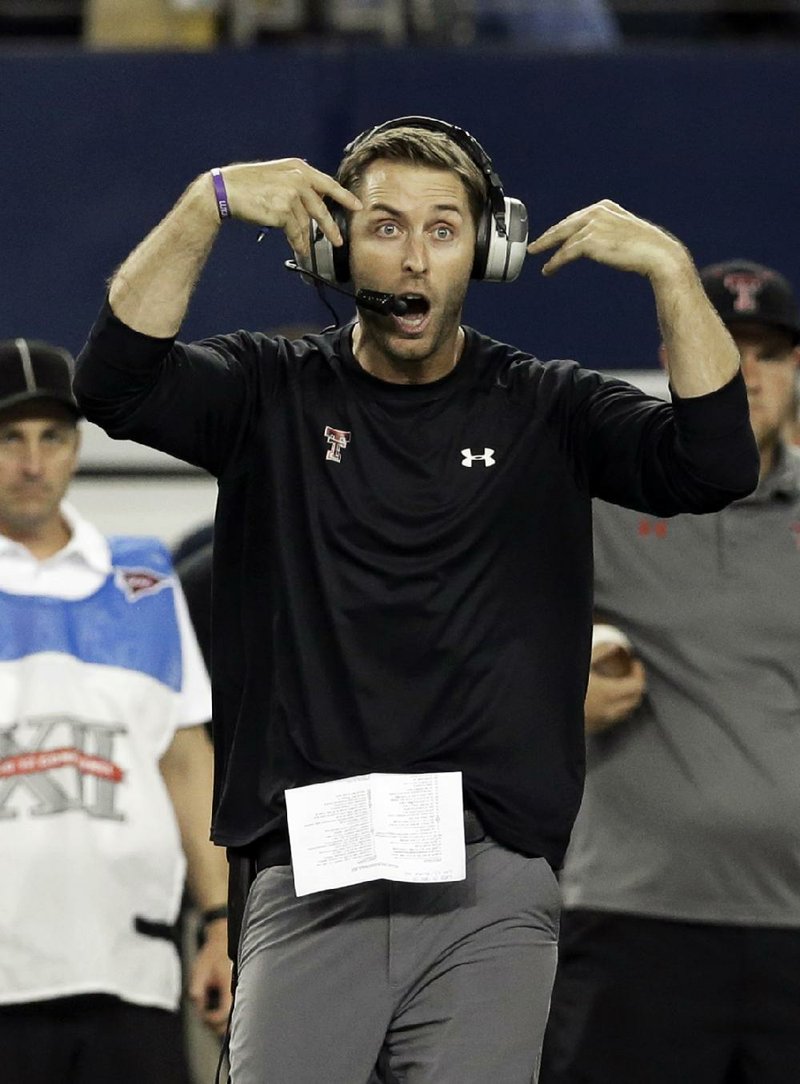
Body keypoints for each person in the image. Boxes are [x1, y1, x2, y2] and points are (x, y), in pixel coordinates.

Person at [73, 116, 758, 1084]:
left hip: (491, 872)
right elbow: (113, 384)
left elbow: (711, 464)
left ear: (486, 249)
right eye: (384, 225)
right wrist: (204, 204)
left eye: (443, 228)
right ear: (331, 242)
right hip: (312, 865)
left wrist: (669, 274)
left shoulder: (544, 404)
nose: (411, 255)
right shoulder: (271, 392)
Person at [540, 260, 800, 1084]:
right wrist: (556, 693)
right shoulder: (610, 498)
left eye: (770, 352)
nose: (747, 373)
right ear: (679, 354)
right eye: (725, 346)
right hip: (634, 918)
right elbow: (478, 638)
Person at [0, 338, 233, 1083]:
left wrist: (221, 923)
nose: (32, 463)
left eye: (52, 437)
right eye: (8, 438)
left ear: (76, 448)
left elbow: (184, 759)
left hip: (130, 968)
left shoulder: (143, 578)